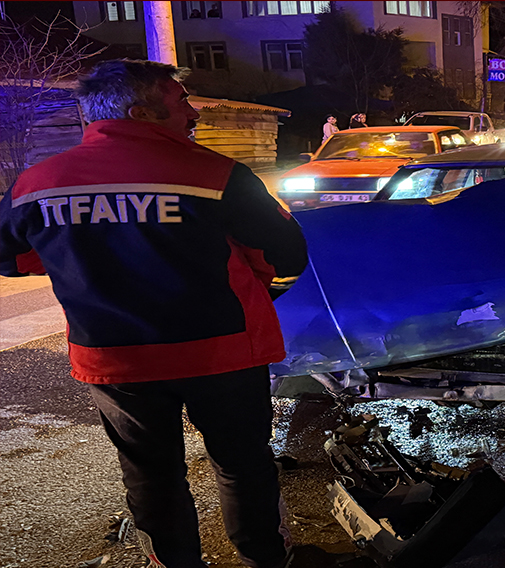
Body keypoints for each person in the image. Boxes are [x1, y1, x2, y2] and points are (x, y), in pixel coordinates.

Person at [0, 59, 308, 567]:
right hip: (223, 352)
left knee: (150, 472)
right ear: (143, 111)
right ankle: (267, 558)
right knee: (242, 464)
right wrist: (259, 291)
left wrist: (76, 256)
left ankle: (174, 561)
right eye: (181, 102)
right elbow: (284, 255)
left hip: (117, 360)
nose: (193, 113)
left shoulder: (39, 182)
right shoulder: (216, 173)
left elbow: (10, 255)